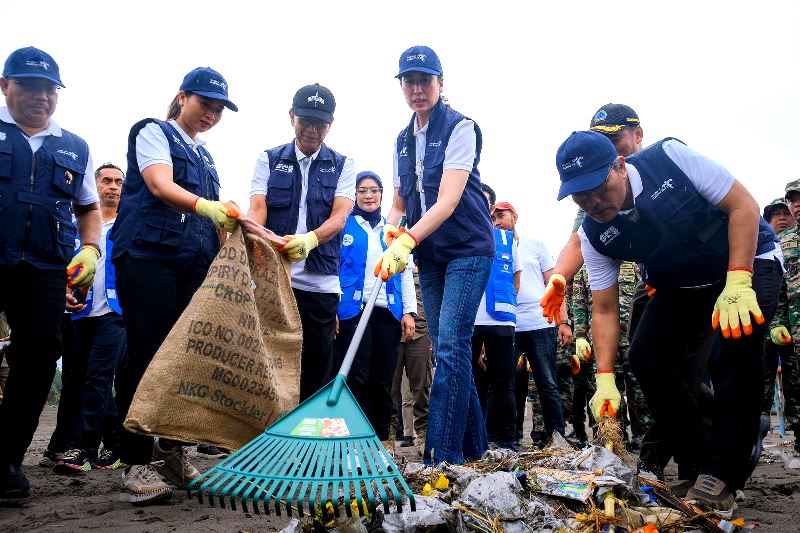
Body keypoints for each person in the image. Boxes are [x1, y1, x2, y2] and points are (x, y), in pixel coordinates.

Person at [555, 129, 781, 516]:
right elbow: (605, 308)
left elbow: (743, 206)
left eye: (598, 186)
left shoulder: (669, 160)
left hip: (744, 261)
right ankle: (702, 459)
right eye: (580, 193)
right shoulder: (593, 234)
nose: (592, 201)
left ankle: (722, 473)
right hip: (682, 283)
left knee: (736, 345)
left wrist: (739, 278)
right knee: (647, 357)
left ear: (620, 166)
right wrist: (605, 377)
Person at [110, 67, 240, 505]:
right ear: (183, 97)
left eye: (219, 109)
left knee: (187, 360)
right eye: (205, 104)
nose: (211, 114)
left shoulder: (205, 157)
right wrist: (209, 206)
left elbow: (217, 221)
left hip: (193, 264)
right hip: (148, 258)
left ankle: (173, 451)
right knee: (148, 355)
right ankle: (134, 459)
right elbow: (159, 184)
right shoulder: (153, 132)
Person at [379, 45, 494, 465]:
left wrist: (406, 239)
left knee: (450, 346)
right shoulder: (402, 140)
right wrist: (390, 232)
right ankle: (477, 453)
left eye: (425, 80)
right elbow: (398, 201)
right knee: (449, 349)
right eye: (409, 81)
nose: (417, 89)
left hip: (468, 248)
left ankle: (440, 458)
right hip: (431, 255)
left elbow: (446, 202)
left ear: (440, 84)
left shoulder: (461, 127)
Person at [0, 47, 102, 499]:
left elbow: (88, 207)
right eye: (29, 86)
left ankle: (6, 460)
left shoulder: (74, 146)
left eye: (49, 89)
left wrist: (92, 248)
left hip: (44, 269)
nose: (40, 96)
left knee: (40, 356)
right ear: (6, 87)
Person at [247, 83, 355, 402]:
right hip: (276, 278)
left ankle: (307, 441)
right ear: (291, 116)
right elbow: (257, 208)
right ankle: (269, 436)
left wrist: (311, 239)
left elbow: (339, 216)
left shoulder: (342, 164)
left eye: (320, 124)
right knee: (271, 359)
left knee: (317, 363)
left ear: (330, 124)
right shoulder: (268, 158)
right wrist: (253, 234)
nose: (311, 130)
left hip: (321, 283)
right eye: (304, 121)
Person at [53, 163, 127, 474]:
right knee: (80, 379)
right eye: (107, 180)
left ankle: (82, 450)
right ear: (94, 185)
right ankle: (116, 444)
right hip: (79, 312)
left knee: (99, 377)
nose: (113, 186)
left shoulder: (129, 225)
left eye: (119, 182)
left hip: (116, 312)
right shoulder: (76, 226)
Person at [335, 171, 416, 449]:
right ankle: (353, 442)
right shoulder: (344, 225)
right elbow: (334, 266)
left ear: (381, 195)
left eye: (374, 190)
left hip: (386, 311)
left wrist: (409, 312)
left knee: (383, 379)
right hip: (353, 311)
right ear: (354, 195)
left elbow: (405, 273)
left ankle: (382, 441)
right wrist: (333, 306)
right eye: (362, 190)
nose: (368, 195)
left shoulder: (392, 230)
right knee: (357, 377)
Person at [499, 201, 570, 445]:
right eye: (493, 217)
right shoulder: (493, 250)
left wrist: (563, 321)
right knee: (512, 385)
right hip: (510, 327)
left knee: (547, 382)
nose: (497, 221)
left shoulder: (535, 246)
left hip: (540, 324)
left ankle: (557, 437)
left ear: (514, 216)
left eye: (501, 215)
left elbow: (555, 285)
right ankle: (513, 439)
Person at [470, 201, 522, 449]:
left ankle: (508, 439)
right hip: (470, 320)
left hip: (501, 319)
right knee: (472, 381)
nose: (494, 220)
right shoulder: (467, 234)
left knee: (503, 382)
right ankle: (475, 438)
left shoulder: (509, 241)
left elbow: (516, 280)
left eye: (498, 215)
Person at [767, 184, 800, 452]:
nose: (797, 204)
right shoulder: (783, 241)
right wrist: (777, 322)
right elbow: (778, 287)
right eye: (793, 200)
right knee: (795, 384)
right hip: (793, 329)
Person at [391, 267, 433, 451]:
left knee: (422, 385)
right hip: (392, 326)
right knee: (389, 388)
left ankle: (423, 435)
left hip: (421, 328)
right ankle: (389, 436)